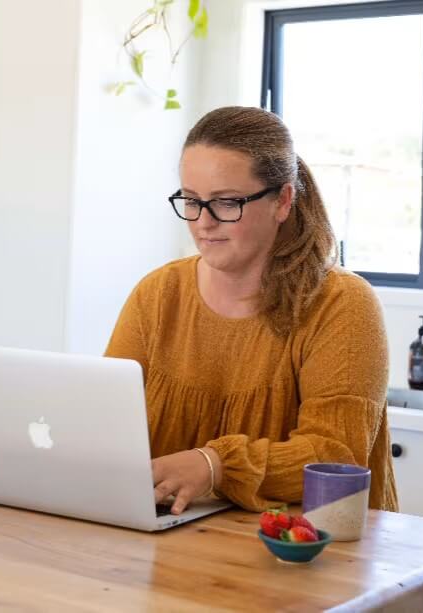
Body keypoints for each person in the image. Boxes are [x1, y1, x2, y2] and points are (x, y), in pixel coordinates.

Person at [104, 106, 398, 516]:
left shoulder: (342, 304)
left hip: (307, 552)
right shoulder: (157, 294)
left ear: (282, 201)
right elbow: (107, 421)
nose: (202, 223)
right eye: (190, 201)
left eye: (226, 203)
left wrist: (216, 465)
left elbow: (336, 454)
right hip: (176, 540)